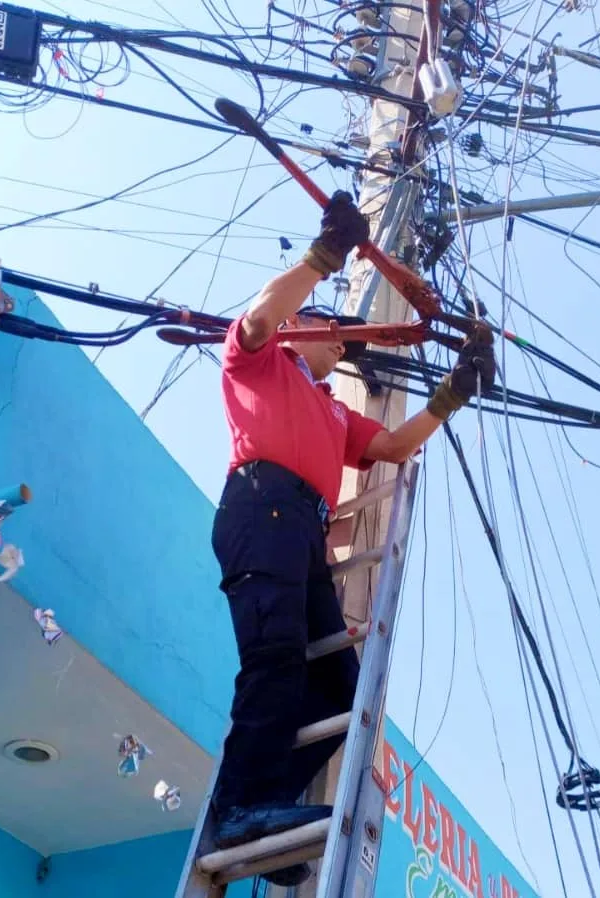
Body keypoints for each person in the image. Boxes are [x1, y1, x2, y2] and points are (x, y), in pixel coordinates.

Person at [208, 190, 495, 886]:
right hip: (260, 504)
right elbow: (259, 317)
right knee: (275, 655)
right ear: (296, 326)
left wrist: (453, 391)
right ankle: (241, 807)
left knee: (338, 687)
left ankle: (262, 801)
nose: (340, 338)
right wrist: (323, 254)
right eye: (327, 325)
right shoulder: (259, 360)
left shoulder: (332, 413)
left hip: (301, 526)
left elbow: (395, 445)